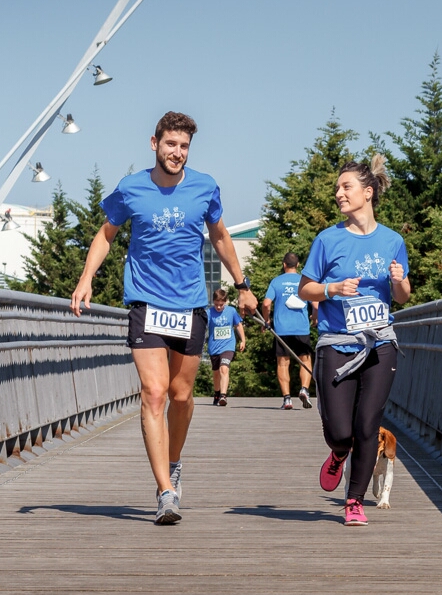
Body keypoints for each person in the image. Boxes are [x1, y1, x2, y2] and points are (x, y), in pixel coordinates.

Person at [71, 111, 257, 525]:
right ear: (154, 143)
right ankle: (165, 491)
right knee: (153, 393)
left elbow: (221, 236)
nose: (177, 153)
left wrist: (242, 285)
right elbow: (106, 233)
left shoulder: (205, 188)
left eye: (184, 146)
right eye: (170, 144)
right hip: (146, 304)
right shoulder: (131, 188)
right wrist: (87, 279)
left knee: (181, 396)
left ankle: (173, 462)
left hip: (190, 305)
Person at [297, 154, 410, 527]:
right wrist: (332, 288)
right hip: (336, 343)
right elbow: (305, 288)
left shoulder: (393, 241)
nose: (338, 194)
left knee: (367, 425)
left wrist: (398, 281)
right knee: (340, 432)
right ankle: (337, 452)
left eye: (345, 187)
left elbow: (404, 296)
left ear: (368, 192)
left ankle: (354, 500)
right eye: (337, 188)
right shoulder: (328, 240)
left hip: (380, 342)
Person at [263, 252, 314, 410]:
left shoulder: (276, 282)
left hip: (282, 330)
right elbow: (317, 303)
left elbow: (266, 304)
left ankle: (287, 399)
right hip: (301, 328)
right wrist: (315, 317)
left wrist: (267, 320)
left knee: (283, 363)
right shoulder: (304, 281)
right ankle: (304, 389)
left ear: (284, 264)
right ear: (298, 265)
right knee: (305, 360)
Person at [206, 288, 245, 406]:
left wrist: (243, 340)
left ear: (226, 302)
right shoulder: (209, 313)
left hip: (228, 345)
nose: (218, 307)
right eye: (216, 305)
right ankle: (217, 393)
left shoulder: (231, 311)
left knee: (224, 368)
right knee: (216, 372)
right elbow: (203, 327)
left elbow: (238, 325)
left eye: (221, 305)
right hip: (214, 347)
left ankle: (223, 395)